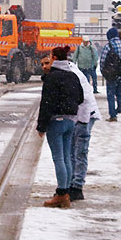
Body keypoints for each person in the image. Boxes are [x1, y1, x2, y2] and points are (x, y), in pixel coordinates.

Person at [36, 46, 84, 208]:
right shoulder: (72, 75)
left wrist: (41, 127)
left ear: (55, 58)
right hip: (71, 121)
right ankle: (67, 192)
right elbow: (80, 97)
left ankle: (61, 194)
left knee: (59, 159)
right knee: (66, 157)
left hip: (56, 121)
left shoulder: (52, 77)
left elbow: (46, 103)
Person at [60, 54, 102, 201]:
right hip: (79, 117)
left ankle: (77, 187)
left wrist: (82, 122)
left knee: (79, 151)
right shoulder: (71, 73)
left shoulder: (73, 75)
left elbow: (84, 100)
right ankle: (72, 185)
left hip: (85, 116)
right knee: (72, 151)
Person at [99, 27, 121, 123]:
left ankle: (113, 116)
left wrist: (104, 72)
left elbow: (102, 61)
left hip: (112, 75)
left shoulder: (108, 46)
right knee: (120, 94)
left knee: (111, 95)